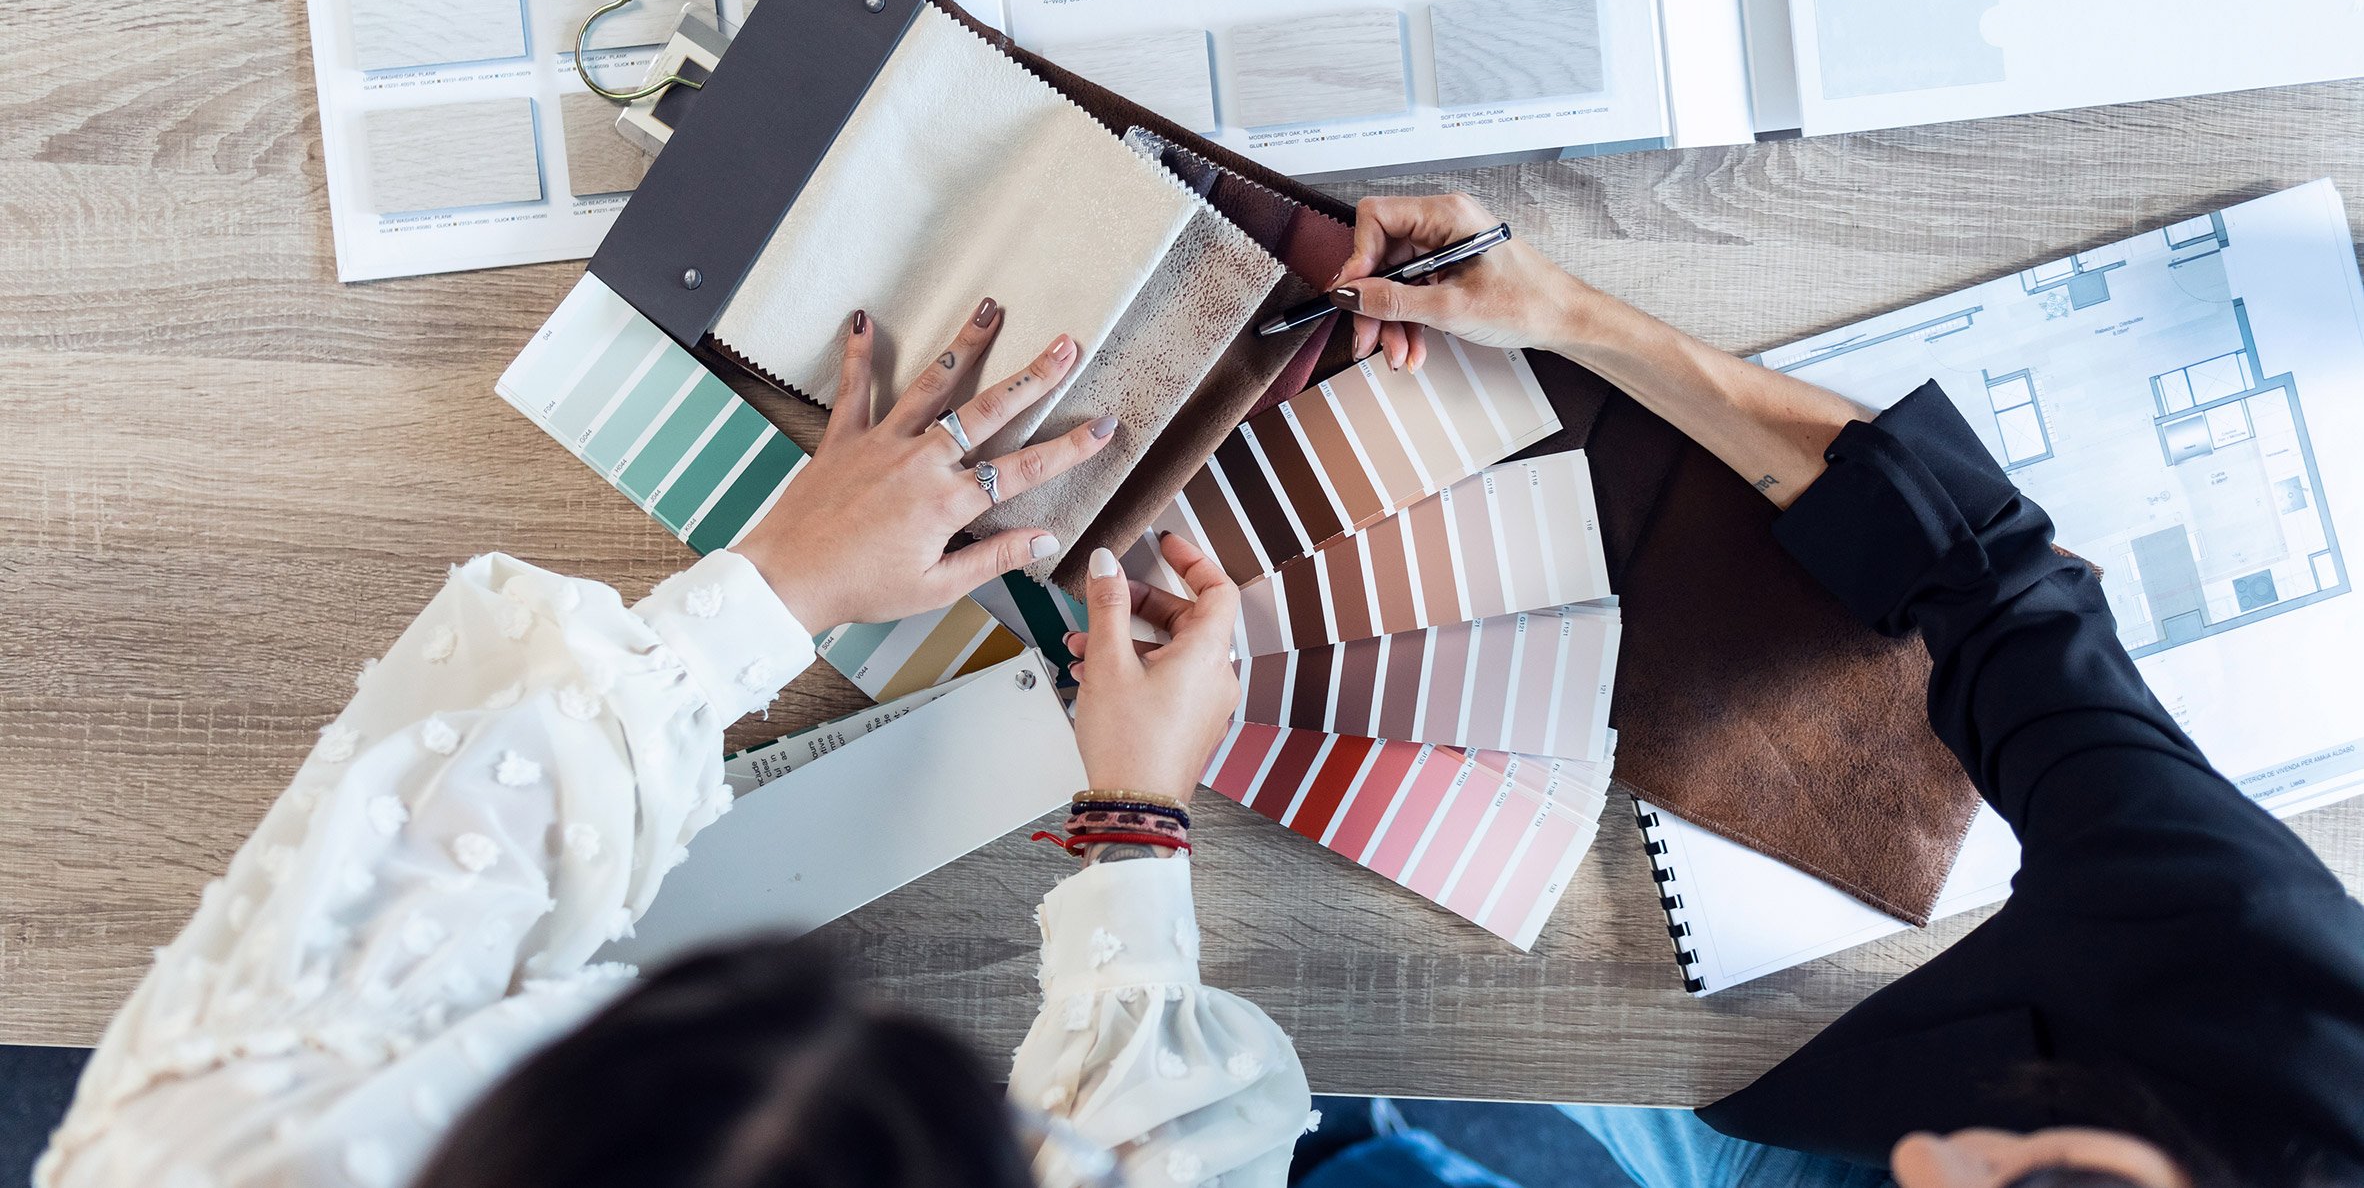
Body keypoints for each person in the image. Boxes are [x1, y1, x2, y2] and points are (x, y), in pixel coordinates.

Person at [34, 299, 1311, 1188]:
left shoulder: (209, 1149)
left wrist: (782, 579)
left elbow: (458, 814)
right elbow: (1178, 1150)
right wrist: (1136, 813)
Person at [1331, 193, 2364, 1188]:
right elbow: (1992, 577)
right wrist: (1565, 315)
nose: (1922, 1166)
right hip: (1833, 1089)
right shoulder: (2248, 950)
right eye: (2013, 1169)